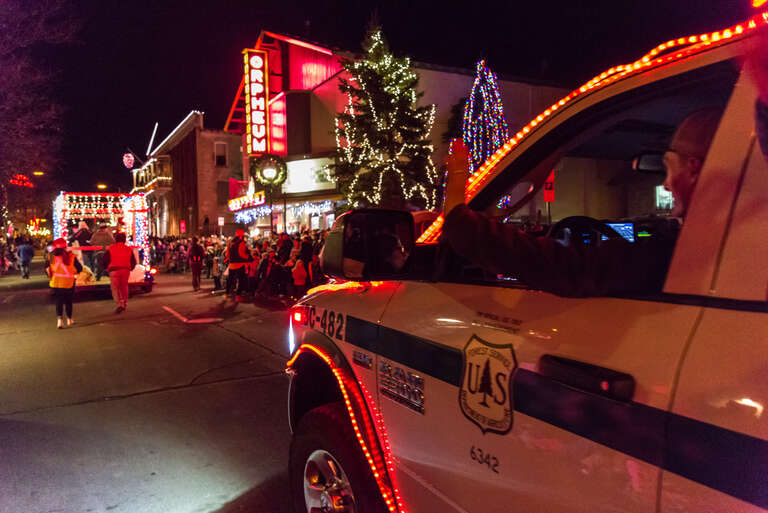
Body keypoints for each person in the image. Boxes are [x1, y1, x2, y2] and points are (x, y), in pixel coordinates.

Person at [442, 109, 722, 298]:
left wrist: (458, 216)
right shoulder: (719, 241)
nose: (666, 184)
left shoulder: (679, 251)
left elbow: (559, 264)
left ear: (694, 169)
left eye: (670, 168)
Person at [45, 238, 82, 328]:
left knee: (59, 301)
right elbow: (79, 268)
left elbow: (46, 269)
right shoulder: (71, 256)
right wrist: (74, 272)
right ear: (65, 246)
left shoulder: (51, 256)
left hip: (55, 283)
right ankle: (69, 319)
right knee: (68, 301)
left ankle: (59, 321)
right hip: (68, 282)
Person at [103, 232, 136, 313]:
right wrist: (130, 268)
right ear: (124, 240)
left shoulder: (111, 248)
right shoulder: (128, 249)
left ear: (115, 239)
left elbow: (105, 259)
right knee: (124, 286)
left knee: (115, 288)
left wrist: (106, 268)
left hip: (114, 270)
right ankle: (124, 302)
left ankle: (119, 304)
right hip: (125, 270)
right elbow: (133, 261)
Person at [225, 229, 252, 299]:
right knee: (241, 280)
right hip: (240, 264)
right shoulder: (241, 243)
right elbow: (242, 254)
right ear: (242, 236)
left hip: (231, 265)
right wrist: (248, 256)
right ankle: (238, 295)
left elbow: (227, 254)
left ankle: (227, 293)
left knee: (230, 280)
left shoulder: (230, 243)